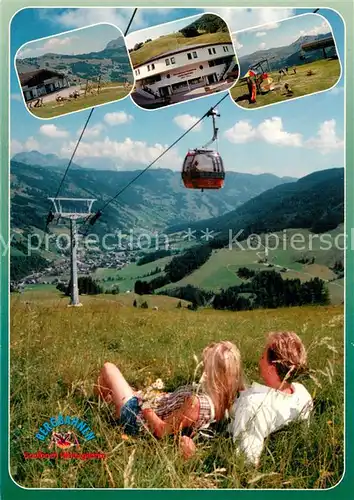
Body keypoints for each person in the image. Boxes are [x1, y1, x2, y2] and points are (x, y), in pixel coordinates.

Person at [95, 341, 245, 458]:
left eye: (206, 366)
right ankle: (108, 405)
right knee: (111, 388)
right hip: (154, 406)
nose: (203, 370)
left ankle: (97, 407)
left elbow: (161, 430)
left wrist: (145, 403)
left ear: (215, 374)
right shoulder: (226, 396)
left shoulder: (198, 403)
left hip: (137, 418)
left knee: (108, 369)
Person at [228, 331, 313, 467]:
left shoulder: (253, 406)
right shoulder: (302, 392)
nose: (259, 360)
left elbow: (246, 461)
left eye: (262, 357)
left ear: (271, 369)